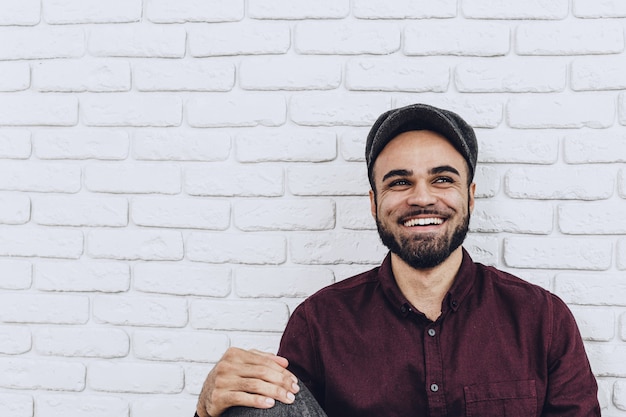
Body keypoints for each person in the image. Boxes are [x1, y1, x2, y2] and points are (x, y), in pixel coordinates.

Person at [195, 103, 601, 417]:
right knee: (252, 396)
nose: (422, 197)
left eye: (443, 179)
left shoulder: (542, 319)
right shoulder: (319, 322)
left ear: (471, 196)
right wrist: (208, 406)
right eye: (400, 182)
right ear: (374, 203)